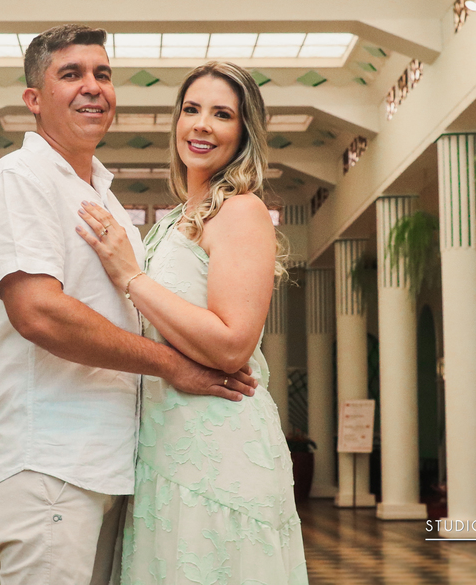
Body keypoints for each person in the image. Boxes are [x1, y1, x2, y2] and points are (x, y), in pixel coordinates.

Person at [0, 25, 257, 585]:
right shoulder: (20, 179)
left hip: (109, 465)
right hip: (49, 461)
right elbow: (38, 313)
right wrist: (173, 365)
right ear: (34, 99)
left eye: (102, 74)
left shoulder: (102, 195)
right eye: (71, 74)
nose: (93, 86)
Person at [75, 61, 309, 584]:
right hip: (163, 450)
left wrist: (130, 277)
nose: (201, 124)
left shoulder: (242, 211)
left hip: (218, 449)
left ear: (244, 132)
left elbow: (232, 346)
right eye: (191, 109)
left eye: (221, 114)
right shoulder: (171, 223)